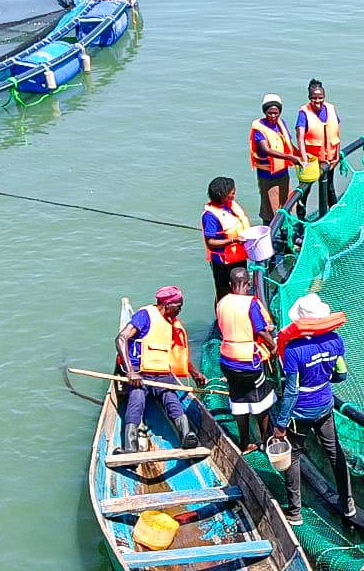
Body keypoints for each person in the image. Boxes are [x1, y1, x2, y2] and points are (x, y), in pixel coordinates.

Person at [268, 293, 350, 525]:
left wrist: (281, 424)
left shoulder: (294, 349)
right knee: (334, 452)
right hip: (325, 404)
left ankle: (295, 512)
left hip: (300, 412)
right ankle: (348, 505)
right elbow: (342, 374)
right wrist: (324, 379)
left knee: (293, 456)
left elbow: (292, 390)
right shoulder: (335, 340)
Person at [112, 286, 198, 455]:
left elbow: (178, 351)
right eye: (178, 306)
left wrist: (195, 373)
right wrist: (130, 371)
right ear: (167, 304)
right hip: (139, 372)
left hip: (160, 372)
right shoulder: (145, 316)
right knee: (137, 398)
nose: (180, 309)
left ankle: (186, 435)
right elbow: (121, 339)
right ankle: (130, 445)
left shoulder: (171, 321)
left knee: (170, 397)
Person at [215, 266, 278, 449]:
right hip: (248, 362)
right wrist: (274, 346)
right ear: (249, 284)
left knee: (238, 400)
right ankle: (266, 441)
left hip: (227, 360)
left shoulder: (222, 303)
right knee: (261, 402)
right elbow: (260, 330)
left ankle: (244, 443)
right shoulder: (251, 304)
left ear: (230, 284)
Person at [250, 93, 304, 222]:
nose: (273, 116)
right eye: (270, 113)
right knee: (270, 210)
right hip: (267, 175)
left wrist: (299, 154)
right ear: (264, 112)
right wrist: (290, 158)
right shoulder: (259, 129)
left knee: (287, 205)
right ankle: (270, 232)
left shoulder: (281, 124)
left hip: (282, 172)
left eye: (276, 113)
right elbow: (266, 150)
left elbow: (288, 143)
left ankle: (288, 231)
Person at [201, 176, 252, 309]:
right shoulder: (210, 217)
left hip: (238, 256)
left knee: (241, 286)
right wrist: (233, 240)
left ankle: (240, 310)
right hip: (223, 263)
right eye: (232, 192)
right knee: (224, 292)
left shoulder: (230, 206)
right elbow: (210, 242)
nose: (234, 193)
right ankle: (222, 314)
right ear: (223, 195)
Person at [294, 79, 342, 215]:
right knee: (304, 192)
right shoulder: (304, 113)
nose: (317, 101)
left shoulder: (331, 109)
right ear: (309, 98)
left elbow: (336, 133)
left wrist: (337, 156)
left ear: (324, 97)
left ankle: (334, 217)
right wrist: (304, 159)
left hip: (329, 159)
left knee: (330, 188)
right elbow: (300, 136)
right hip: (311, 161)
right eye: (314, 98)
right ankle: (301, 221)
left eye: (320, 98)